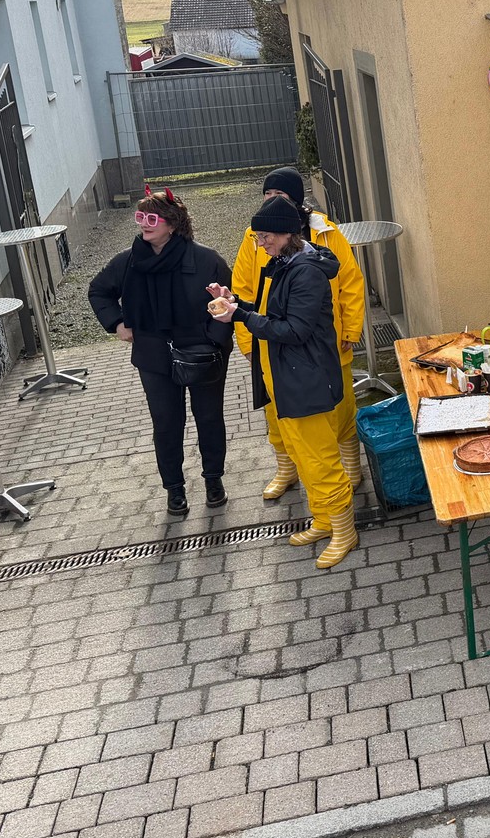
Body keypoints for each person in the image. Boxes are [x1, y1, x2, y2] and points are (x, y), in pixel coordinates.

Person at [210, 195, 356, 569]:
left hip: (307, 380)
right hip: (289, 379)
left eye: (266, 237)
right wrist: (235, 304)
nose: (260, 244)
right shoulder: (286, 263)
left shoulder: (305, 272)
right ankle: (323, 520)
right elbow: (269, 312)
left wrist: (241, 317)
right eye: (259, 237)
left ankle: (344, 530)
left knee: (321, 459)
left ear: (288, 233)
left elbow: (294, 330)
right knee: (303, 455)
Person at [89, 189, 232, 518]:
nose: (144, 224)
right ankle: (174, 489)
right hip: (154, 354)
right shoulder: (128, 261)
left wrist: (213, 341)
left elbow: (228, 302)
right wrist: (117, 323)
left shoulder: (206, 259)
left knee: (209, 417)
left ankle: (214, 480)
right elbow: (98, 291)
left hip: (201, 351)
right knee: (166, 422)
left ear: (173, 223)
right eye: (140, 217)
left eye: (152, 218)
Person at [231, 167, 365, 502]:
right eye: (267, 194)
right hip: (273, 341)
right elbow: (243, 285)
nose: (271, 200)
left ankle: (350, 466)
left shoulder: (324, 232)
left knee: (340, 407)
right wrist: (247, 340)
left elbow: (350, 282)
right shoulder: (255, 237)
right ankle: (287, 469)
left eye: (278, 194)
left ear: (295, 199)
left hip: (325, 340)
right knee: (278, 413)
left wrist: (351, 328)